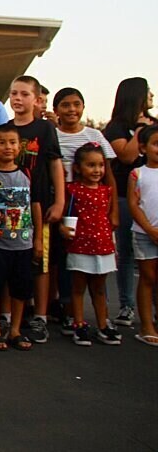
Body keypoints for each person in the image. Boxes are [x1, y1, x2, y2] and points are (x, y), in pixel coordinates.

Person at [52, 87, 117, 335]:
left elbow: (108, 174)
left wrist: (114, 214)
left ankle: (103, 322)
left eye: (77, 104)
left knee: (99, 279)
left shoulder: (95, 136)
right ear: (56, 110)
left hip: (98, 224)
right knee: (68, 269)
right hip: (68, 206)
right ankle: (70, 316)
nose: (72, 110)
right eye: (66, 105)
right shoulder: (53, 135)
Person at [6, 75, 65, 344]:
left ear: (36, 99)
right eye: (14, 93)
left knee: (40, 261)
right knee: (12, 259)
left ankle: (40, 316)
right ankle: (12, 314)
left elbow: (55, 165)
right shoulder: (5, 129)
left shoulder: (44, 129)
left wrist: (60, 200)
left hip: (39, 202)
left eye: (24, 94)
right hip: (9, 206)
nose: (18, 99)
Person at [0, 124, 42, 351]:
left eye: (12, 142)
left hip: (23, 243)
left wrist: (38, 239)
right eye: (1, 142)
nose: (7, 147)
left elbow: (35, 206)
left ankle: (15, 330)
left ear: (20, 146)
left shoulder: (28, 174)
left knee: (20, 289)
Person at [104, 77, 157, 327]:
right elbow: (125, 156)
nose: (152, 96)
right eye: (148, 92)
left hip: (152, 196)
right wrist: (139, 131)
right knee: (126, 253)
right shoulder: (115, 127)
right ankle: (127, 306)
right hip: (125, 196)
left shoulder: (155, 125)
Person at [62, 143, 120, 346]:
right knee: (78, 288)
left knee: (100, 288)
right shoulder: (72, 189)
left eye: (100, 165)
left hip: (103, 246)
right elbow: (65, 213)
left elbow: (110, 217)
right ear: (78, 168)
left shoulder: (107, 191)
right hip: (80, 245)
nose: (97, 170)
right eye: (91, 165)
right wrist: (63, 226)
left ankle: (103, 325)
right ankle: (79, 324)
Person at [128, 124, 158, 347]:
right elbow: (133, 203)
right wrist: (149, 229)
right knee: (147, 278)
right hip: (144, 233)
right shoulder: (138, 173)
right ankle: (146, 325)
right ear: (143, 148)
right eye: (155, 144)